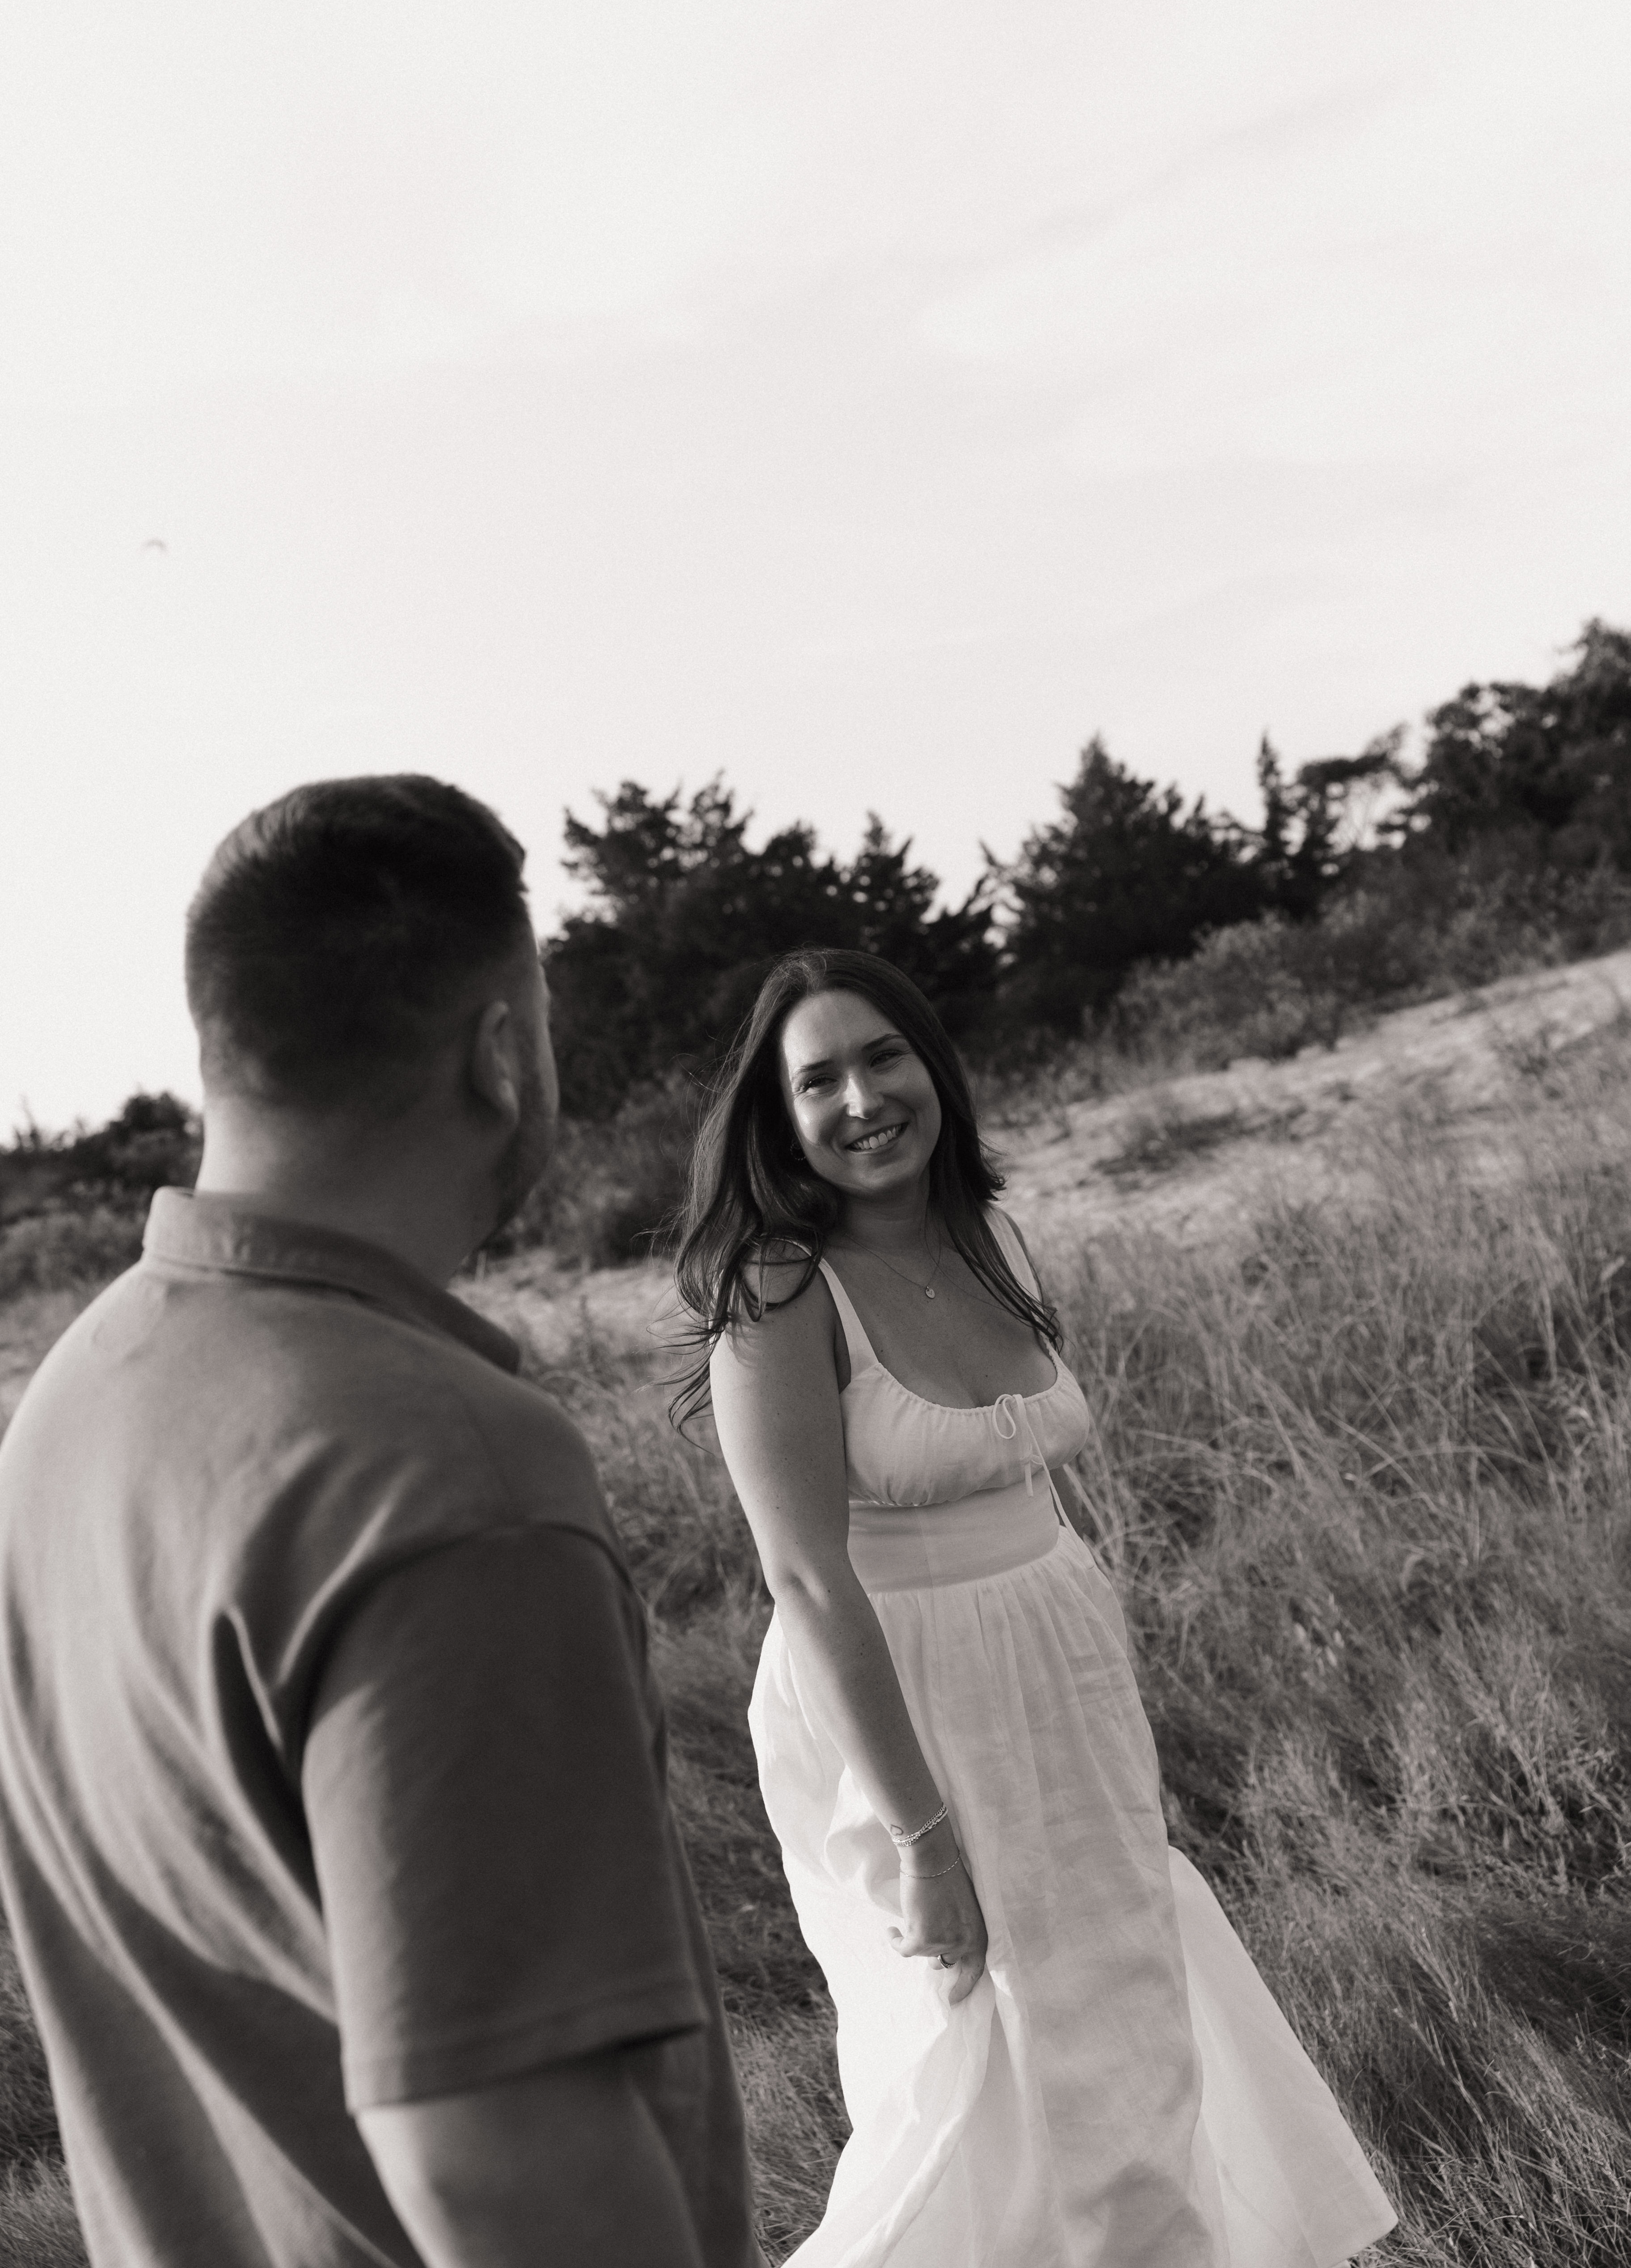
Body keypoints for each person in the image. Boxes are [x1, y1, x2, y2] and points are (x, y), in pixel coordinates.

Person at [0, 775, 761, 2268]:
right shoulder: (451, 1478)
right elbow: (503, 2167)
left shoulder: (72, 1409)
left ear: (225, 1052)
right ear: (499, 1053)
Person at [674, 946, 1398, 2268]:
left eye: (882, 1057)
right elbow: (805, 1574)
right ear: (779, 1119)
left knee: (1117, 2008)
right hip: (893, 1693)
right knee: (963, 2049)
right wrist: (924, 1837)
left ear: (931, 1066)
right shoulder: (781, 1290)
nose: (860, 1100)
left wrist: (1088, 1680)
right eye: (817, 1080)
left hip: (1054, 1657)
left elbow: (1029, 1491)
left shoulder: (996, 1235)